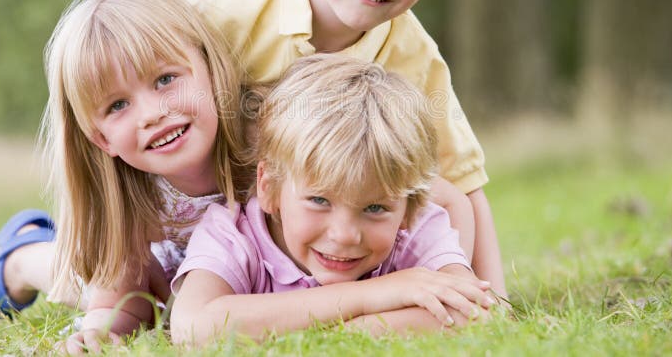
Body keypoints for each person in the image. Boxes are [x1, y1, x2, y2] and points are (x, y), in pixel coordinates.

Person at [182, 0, 505, 295]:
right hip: (187, 212)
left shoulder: (413, 55)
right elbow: (110, 79)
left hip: (304, 229)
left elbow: (462, 185)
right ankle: (33, 253)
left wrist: (492, 294)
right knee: (107, 285)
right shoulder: (218, 12)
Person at [0, 0, 250, 353]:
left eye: (165, 79)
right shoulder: (133, 193)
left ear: (209, 66)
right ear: (101, 138)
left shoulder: (267, 144)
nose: (152, 114)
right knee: (95, 285)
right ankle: (22, 254)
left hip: (214, 275)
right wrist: (99, 333)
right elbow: (116, 301)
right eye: (118, 105)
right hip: (162, 273)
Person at [171, 55, 496, 344]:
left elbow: (472, 314)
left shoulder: (417, 229)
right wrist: (371, 296)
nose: (344, 235)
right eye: (319, 201)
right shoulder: (232, 234)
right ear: (269, 188)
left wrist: (310, 335)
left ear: (410, 209)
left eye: (375, 208)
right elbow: (194, 325)